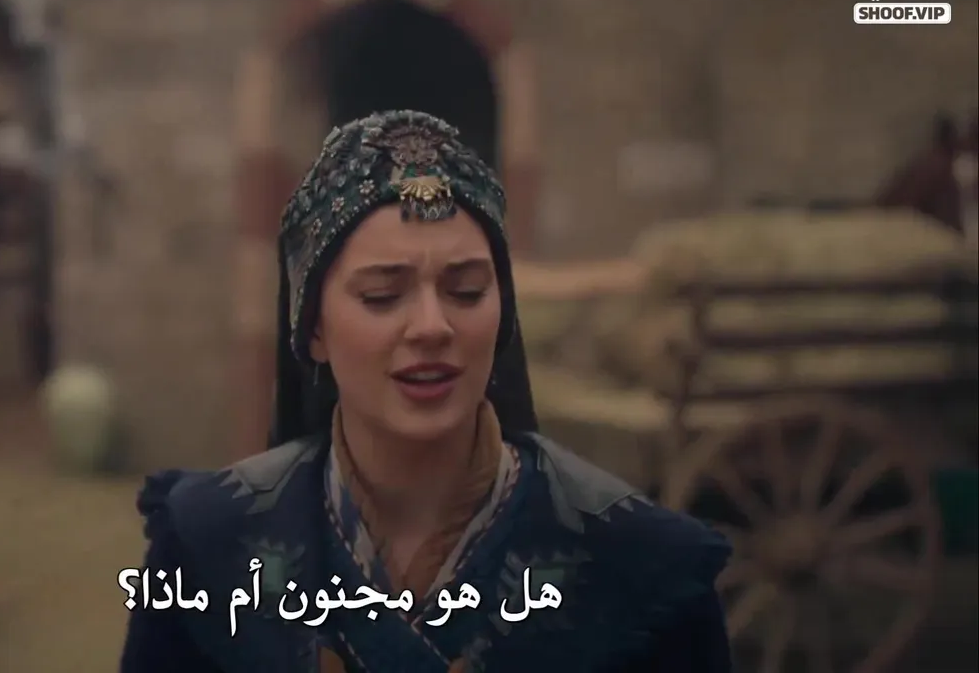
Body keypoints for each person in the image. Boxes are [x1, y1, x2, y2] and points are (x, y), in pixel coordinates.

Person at [120, 111, 732, 672]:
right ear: (314, 331)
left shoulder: (645, 565)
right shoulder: (207, 543)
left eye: (466, 291)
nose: (433, 327)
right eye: (382, 296)